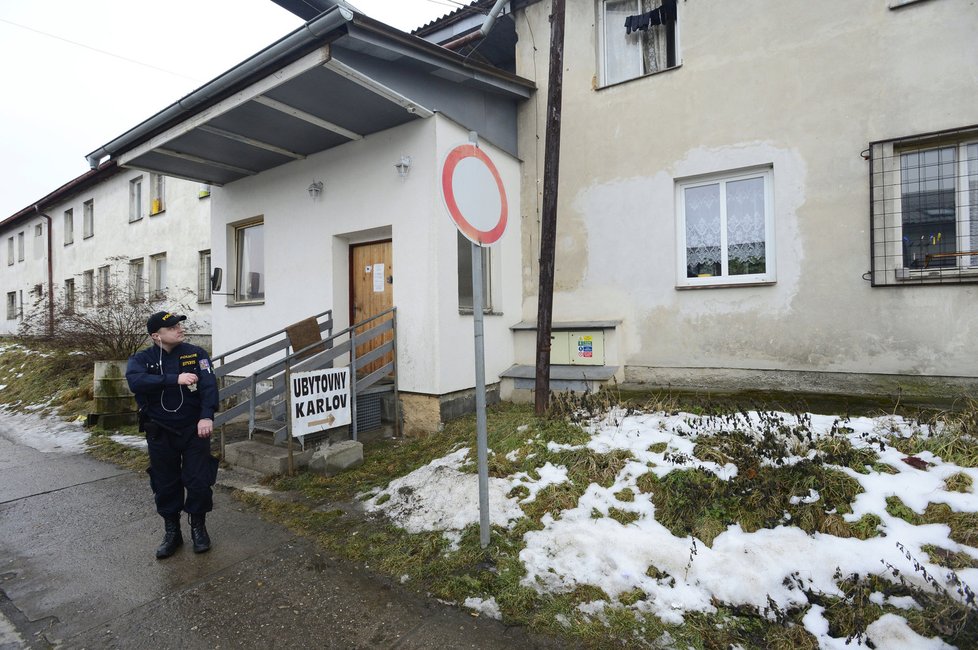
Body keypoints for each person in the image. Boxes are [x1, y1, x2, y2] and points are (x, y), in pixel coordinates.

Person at [126, 311, 219, 559]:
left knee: (199, 481)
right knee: (165, 483)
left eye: (179, 325)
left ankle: (198, 527)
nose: (179, 329)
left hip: (193, 429)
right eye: (172, 327)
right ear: (156, 335)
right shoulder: (142, 359)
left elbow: (209, 387)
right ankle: (172, 531)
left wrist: (206, 415)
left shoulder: (196, 354)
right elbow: (136, 382)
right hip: (160, 431)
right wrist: (173, 379)